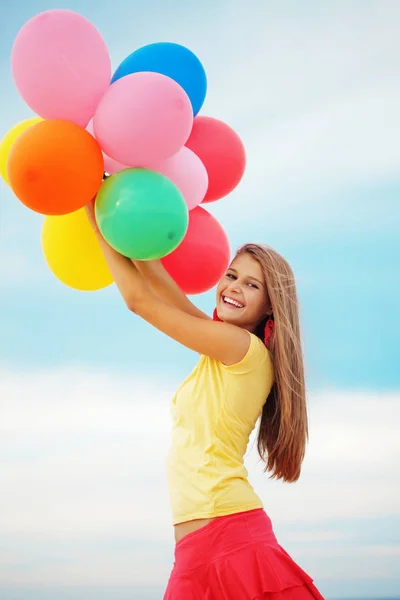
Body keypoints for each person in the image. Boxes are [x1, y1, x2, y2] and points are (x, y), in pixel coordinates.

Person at [85, 201, 325, 600]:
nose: (233, 287)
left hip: (226, 537)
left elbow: (139, 302)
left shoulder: (240, 348)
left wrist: (96, 222)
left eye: (252, 284)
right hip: (203, 543)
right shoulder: (223, 346)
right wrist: (126, 218)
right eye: (232, 275)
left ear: (270, 307)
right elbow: (162, 288)